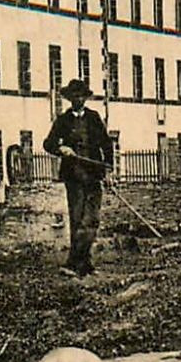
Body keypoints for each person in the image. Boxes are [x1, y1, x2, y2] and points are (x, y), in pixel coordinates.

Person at [42, 80, 113, 277]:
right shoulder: (63, 120)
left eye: (81, 96)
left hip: (93, 175)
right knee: (77, 219)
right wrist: (61, 148)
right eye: (74, 96)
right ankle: (78, 264)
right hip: (73, 177)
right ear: (69, 99)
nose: (78, 99)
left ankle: (81, 261)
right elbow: (48, 143)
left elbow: (107, 145)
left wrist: (108, 171)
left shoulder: (93, 118)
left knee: (92, 219)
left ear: (85, 97)